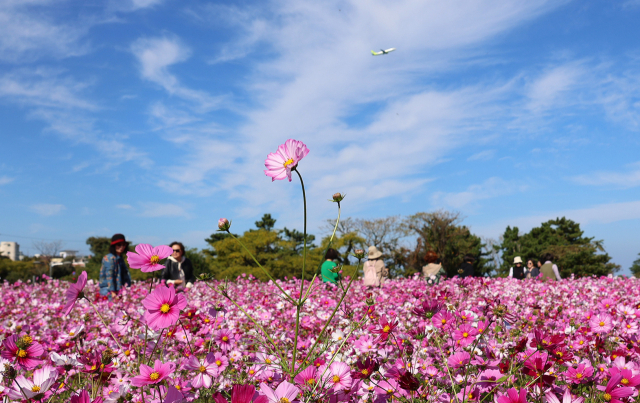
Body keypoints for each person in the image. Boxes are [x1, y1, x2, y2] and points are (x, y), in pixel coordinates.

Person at [99, 234, 132, 299]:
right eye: (119, 245)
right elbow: (109, 275)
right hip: (109, 291)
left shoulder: (120, 258)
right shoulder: (109, 258)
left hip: (118, 290)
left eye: (123, 245)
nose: (121, 247)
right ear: (114, 246)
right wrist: (113, 292)